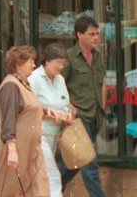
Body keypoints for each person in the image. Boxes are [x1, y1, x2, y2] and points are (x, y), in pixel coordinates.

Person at [0, 45, 49, 197]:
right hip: (17, 147)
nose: (34, 66)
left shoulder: (24, 84)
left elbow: (30, 110)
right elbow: (8, 118)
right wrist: (12, 150)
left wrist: (53, 113)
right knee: (9, 189)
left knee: (39, 187)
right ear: (18, 64)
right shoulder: (11, 85)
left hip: (32, 149)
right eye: (30, 62)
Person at [59, 17, 108, 197]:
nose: (96, 38)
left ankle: (51, 188)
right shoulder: (69, 57)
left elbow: (102, 82)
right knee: (89, 162)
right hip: (79, 117)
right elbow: (57, 84)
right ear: (79, 35)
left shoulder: (98, 56)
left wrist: (102, 107)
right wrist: (70, 107)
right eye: (91, 34)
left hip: (95, 115)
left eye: (97, 34)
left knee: (76, 160)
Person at [27, 43, 74, 197]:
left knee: (43, 175)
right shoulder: (34, 79)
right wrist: (51, 114)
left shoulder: (60, 79)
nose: (61, 67)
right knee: (52, 174)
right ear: (47, 61)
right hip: (38, 134)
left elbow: (64, 102)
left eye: (63, 63)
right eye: (57, 63)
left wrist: (67, 114)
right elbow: (29, 108)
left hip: (55, 133)